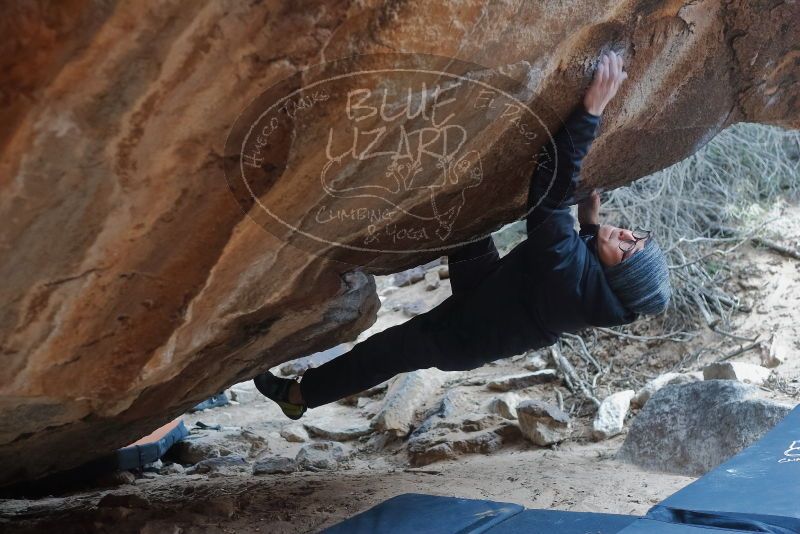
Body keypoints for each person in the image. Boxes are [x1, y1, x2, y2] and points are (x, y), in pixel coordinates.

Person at [254, 51, 671, 420]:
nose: (626, 235)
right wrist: (592, 227)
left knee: (383, 352)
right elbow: (576, 256)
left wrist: (591, 112)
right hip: (490, 289)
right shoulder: (594, 286)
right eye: (637, 235)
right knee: (460, 212)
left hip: (464, 335)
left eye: (628, 249)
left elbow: (548, 198)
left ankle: (299, 395)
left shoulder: (572, 286)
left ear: (617, 278)